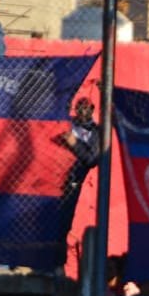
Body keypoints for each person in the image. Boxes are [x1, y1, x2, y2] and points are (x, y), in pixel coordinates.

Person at [52, 97, 101, 273]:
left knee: (65, 224)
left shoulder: (96, 132)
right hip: (55, 179)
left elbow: (92, 159)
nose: (82, 111)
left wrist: (74, 143)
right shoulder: (68, 124)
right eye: (79, 107)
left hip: (76, 184)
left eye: (86, 108)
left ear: (92, 109)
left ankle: (59, 264)